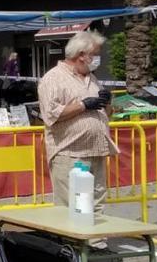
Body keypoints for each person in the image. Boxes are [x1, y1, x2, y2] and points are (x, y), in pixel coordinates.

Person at [37, 31, 116, 212]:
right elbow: (50, 114)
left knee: (96, 203)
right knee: (72, 207)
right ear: (81, 55)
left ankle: (96, 241)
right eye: (95, 54)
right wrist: (83, 105)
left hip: (96, 151)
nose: (98, 59)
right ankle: (71, 241)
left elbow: (107, 113)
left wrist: (107, 102)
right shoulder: (53, 78)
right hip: (70, 154)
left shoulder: (92, 78)